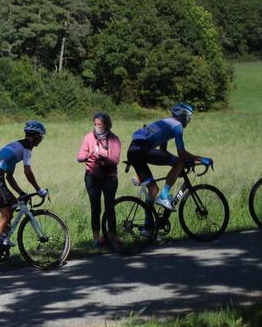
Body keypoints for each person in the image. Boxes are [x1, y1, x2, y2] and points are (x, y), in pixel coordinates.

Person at [0, 121, 49, 257]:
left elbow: (10, 177)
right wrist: (39, 189)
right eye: (41, 137)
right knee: (6, 214)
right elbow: (27, 171)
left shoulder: (17, 145)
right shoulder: (27, 147)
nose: (41, 140)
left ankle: (1, 235)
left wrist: (22, 193)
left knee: (12, 204)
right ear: (35, 136)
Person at [127, 103, 212, 211]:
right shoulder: (177, 125)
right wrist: (202, 159)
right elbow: (182, 154)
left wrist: (177, 166)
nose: (189, 121)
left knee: (153, 190)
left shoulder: (166, 123)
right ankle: (163, 196)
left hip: (133, 150)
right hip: (143, 149)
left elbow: (163, 150)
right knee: (179, 162)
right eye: (190, 118)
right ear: (185, 116)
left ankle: (148, 226)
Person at [77, 113, 121, 248]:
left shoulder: (114, 139)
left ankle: (111, 236)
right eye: (95, 124)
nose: (96, 127)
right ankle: (96, 239)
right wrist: (89, 155)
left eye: (99, 124)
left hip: (109, 177)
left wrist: (103, 158)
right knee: (95, 208)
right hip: (92, 176)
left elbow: (115, 160)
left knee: (110, 206)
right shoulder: (88, 137)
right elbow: (79, 156)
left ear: (107, 125)